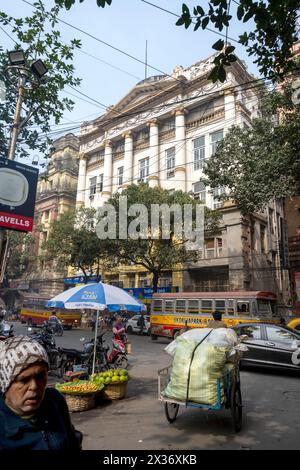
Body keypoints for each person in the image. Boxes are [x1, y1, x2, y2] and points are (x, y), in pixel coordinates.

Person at [0, 335, 82, 450]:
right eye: (24, 380)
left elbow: (72, 441)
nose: (34, 386)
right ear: (6, 385)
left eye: (40, 376)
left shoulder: (55, 401)